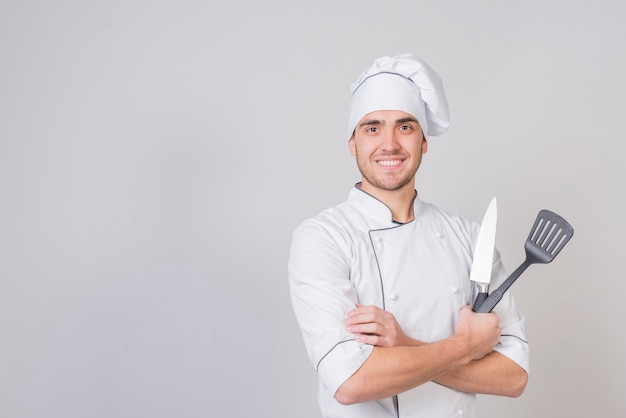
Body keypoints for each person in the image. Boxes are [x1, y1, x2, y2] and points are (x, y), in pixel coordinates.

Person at [288, 53, 529, 418]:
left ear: (423, 142)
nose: (389, 144)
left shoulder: (468, 237)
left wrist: (404, 344)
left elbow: (513, 378)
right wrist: (466, 345)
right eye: (372, 128)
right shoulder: (323, 239)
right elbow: (351, 382)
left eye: (404, 126)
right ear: (352, 143)